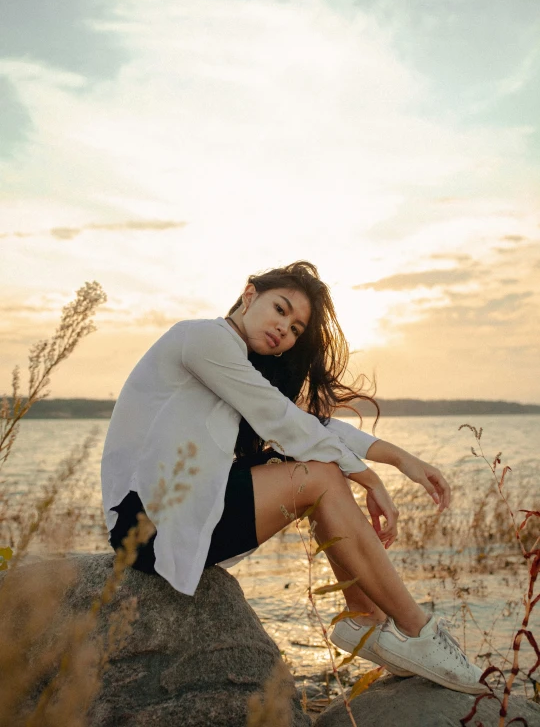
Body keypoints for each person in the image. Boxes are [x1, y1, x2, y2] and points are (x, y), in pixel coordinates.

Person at [101, 260, 488, 695]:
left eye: (297, 328)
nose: (285, 328)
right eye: (280, 309)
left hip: (179, 506)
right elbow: (280, 419)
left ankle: (366, 620)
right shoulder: (203, 338)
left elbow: (310, 426)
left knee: (320, 473)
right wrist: (369, 480)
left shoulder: (239, 364)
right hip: (149, 522)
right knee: (321, 477)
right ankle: (418, 632)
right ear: (249, 295)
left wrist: (400, 460)